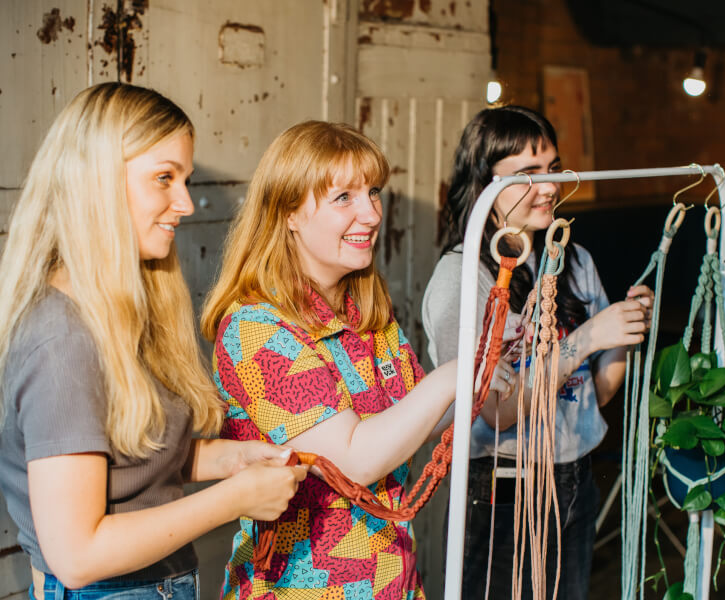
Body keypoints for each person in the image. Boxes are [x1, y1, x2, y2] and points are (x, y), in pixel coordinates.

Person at [0, 82, 307, 600]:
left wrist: (229, 461)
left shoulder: (116, 308)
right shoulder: (62, 340)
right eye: (164, 178)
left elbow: (127, 463)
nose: (184, 203)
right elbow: (77, 556)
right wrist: (236, 497)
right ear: (94, 183)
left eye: (183, 179)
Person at [201, 120, 512, 600]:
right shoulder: (257, 329)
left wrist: (486, 373)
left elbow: (410, 422)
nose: (370, 214)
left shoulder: (366, 311)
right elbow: (353, 460)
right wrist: (454, 375)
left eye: (373, 192)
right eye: (343, 198)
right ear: (288, 213)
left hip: (392, 579)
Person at [422, 105, 654, 600]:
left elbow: (597, 394)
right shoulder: (464, 280)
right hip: (500, 493)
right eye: (527, 173)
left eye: (553, 170)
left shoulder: (573, 260)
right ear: (485, 183)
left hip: (574, 483)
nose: (548, 187)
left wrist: (624, 329)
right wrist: (588, 338)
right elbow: (498, 411)